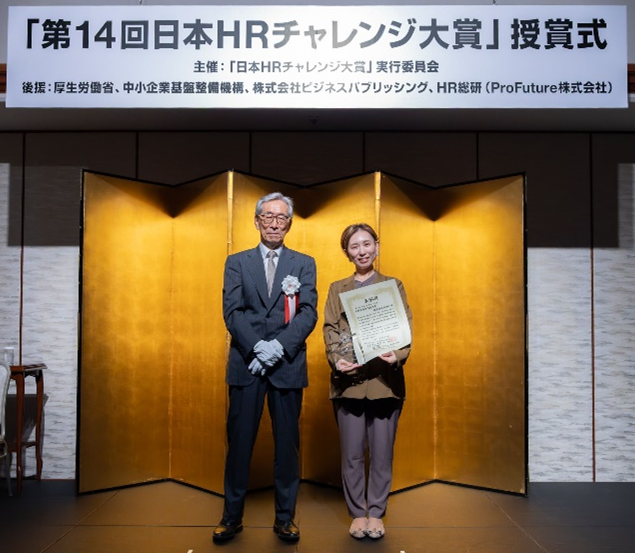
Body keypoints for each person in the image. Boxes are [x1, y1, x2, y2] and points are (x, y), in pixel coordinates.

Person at [213, 192, 318, 544]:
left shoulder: (304, 263)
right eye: (268, 217)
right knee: (239, 444)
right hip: (247, 366)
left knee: (287, 448)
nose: (274, 223)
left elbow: (308, 312)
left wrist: (278, 348)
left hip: (287, 366)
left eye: (281, 217)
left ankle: (285, 519)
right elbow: (232, 311)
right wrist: (258, 347)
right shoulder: (237, 262)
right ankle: (231, 517)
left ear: (289, 223)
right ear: (257, 221)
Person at [323, 223, 412, 540]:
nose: (361, 251)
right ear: (346, 252)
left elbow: (404, 325)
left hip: (385, 383)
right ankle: (357, 514)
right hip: (349, 383)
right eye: (354, 246)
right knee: (352, 454)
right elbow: (330, 328)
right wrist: (337, 360)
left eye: (366, 244)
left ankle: (376, 512)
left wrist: (397, 354)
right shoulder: (337, 288)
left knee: (382, 454)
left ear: (376, 246)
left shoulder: (392, 285)